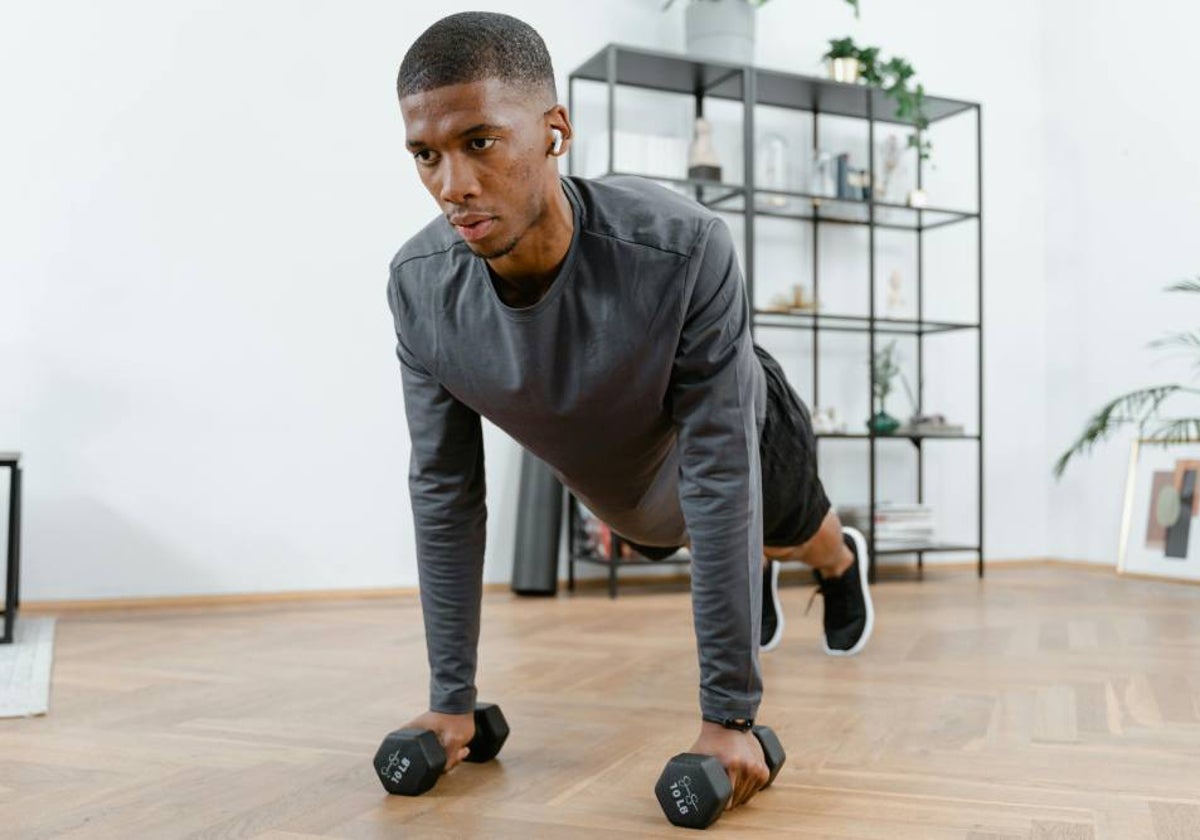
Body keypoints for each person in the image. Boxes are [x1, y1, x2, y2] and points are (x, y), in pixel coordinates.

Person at [385, 11, 874, 813]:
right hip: (637, 494)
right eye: (425, 155)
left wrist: (729, 719)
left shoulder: (682, 247)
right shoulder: (419, 289)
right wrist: (451, 702)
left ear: (555, 131)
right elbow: (443, 489)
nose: (452, 185)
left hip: (742, 426)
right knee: (682, 532)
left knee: (787, 525)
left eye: (480, 142)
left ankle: (837, 563)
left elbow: (721, 471)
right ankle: (753, 566)